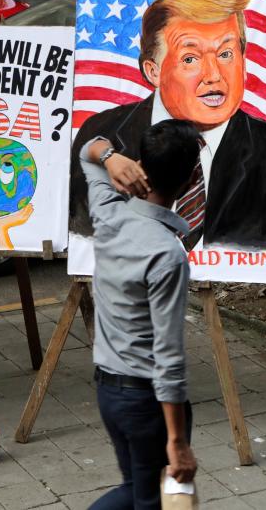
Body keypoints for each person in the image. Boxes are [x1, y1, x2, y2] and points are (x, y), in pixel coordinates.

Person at [70, 0, 266, 250]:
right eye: (190, 58)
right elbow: (85, 234)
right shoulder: (102, 131)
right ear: (153, 71)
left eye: (226, 54)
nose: (214, 75)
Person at [80, 120, 199, 509]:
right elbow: (167, 357)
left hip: (109, 394)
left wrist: (111, 157)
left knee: (135, 489)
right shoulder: (167, 255)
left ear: (141, 165)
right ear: (191, 178)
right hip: (145, 402)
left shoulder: (108, 211)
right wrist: (178, 441)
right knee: (149, 501)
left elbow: (88, 151)